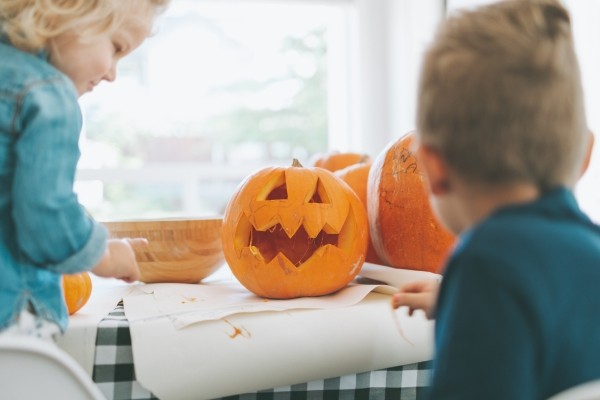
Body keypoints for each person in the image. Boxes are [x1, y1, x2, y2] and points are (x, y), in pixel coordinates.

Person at [391, 0, 600, 398]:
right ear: (585, 155)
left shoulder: (484, 265)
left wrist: (476, 294)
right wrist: (465, 305)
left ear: (434, 168)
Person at [0, 0, 169, 341]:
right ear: (66, 10)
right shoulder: (48, 96)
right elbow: (46, 216)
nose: (111, 73)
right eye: (116, 47)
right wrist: (105, 255)